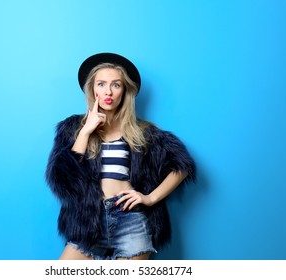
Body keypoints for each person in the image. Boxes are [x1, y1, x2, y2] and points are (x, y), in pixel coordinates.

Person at [46, 53, 196, 260]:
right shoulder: (72, 129)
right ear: (92, 89)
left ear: (125, 91)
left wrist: (150, 198)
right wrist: (86, 131)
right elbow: (63, 178)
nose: (108, 91)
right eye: (101, 84)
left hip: (130, 220)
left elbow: (182, 166)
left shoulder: (143, 133)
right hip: (89, 222)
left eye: (116, 85)